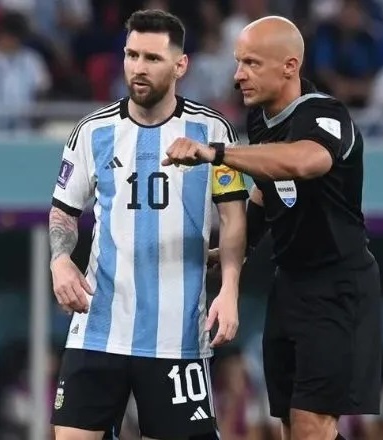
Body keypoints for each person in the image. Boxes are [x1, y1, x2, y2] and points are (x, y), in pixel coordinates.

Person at [162, 15, 381, 440]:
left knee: (312, 425)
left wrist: (216, 153)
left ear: (289, 66)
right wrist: (239, 249)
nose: (238, 75)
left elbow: (305, 161)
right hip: (289, 285)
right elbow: (265, 191)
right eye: (238, 62)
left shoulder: (325, 114)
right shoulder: (261, 121)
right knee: (289, 425)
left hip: (338, 286)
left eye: (251, 63)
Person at [48, 9, 248, 440]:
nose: (138, 67)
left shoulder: (212, 132)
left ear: (180, 65)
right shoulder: (92, 131)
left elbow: (233, 218)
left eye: (153, 58)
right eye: (132, 55)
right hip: (97, 329)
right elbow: (64, 209)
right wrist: (60, 260)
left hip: (176, 336)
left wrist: (230, 289)